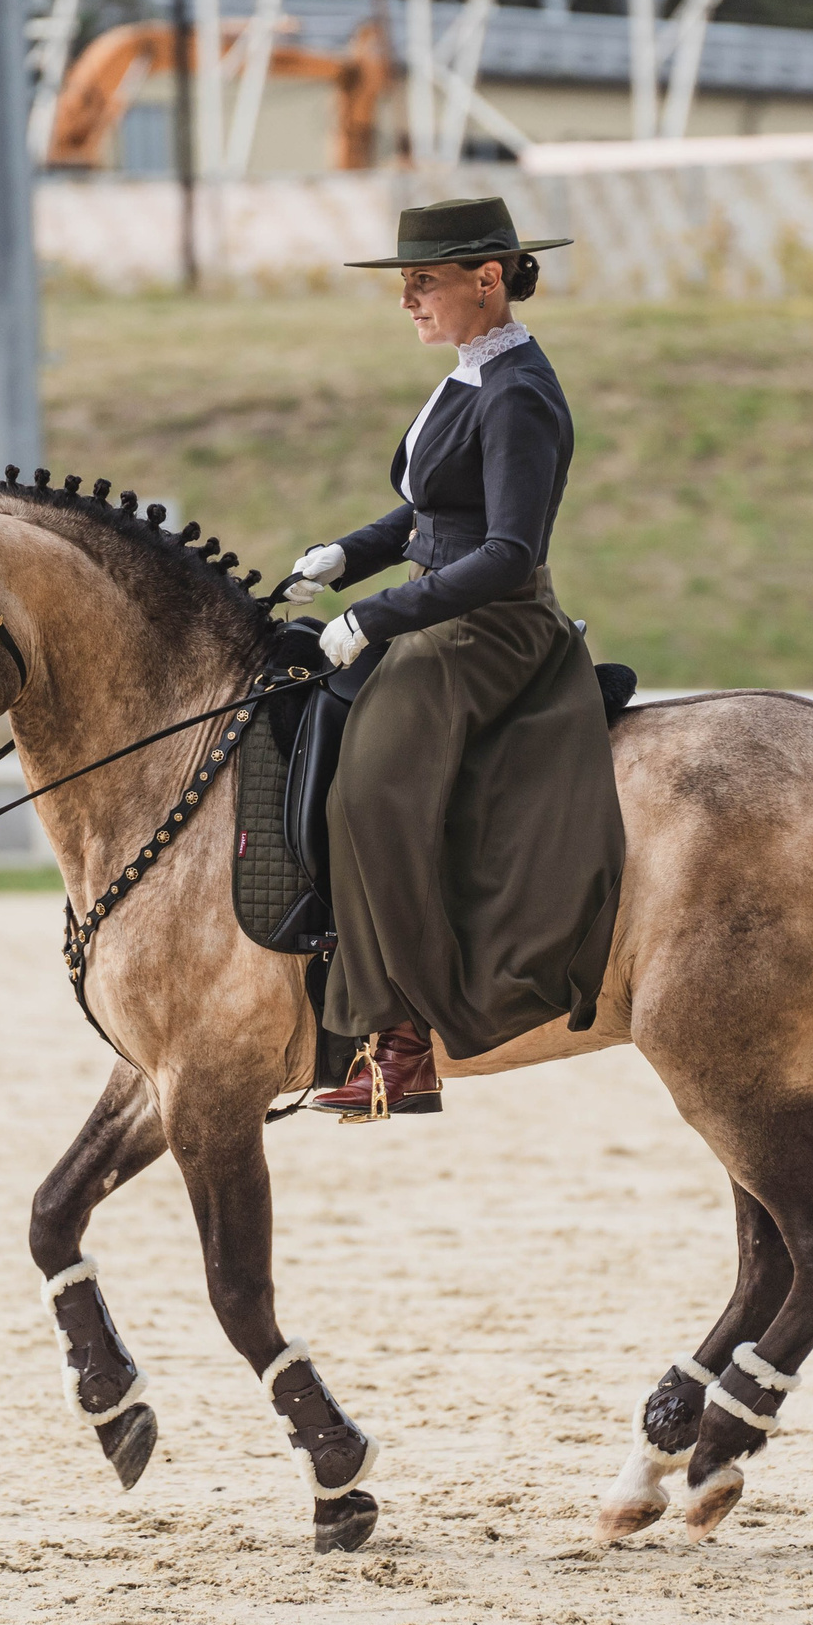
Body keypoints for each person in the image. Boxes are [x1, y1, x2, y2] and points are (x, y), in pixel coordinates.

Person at [281, 197, 628, 1120]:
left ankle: (400, 1042)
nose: (407, 302)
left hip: (495, 624)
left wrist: (380, 615)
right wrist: (347, 556)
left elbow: (508, 550)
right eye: (404, 283)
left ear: (487, 280)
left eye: (422, 282)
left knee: (370, 793)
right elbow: (433, 514)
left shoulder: (519, 391)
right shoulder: (474, 373)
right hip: (444, 606)